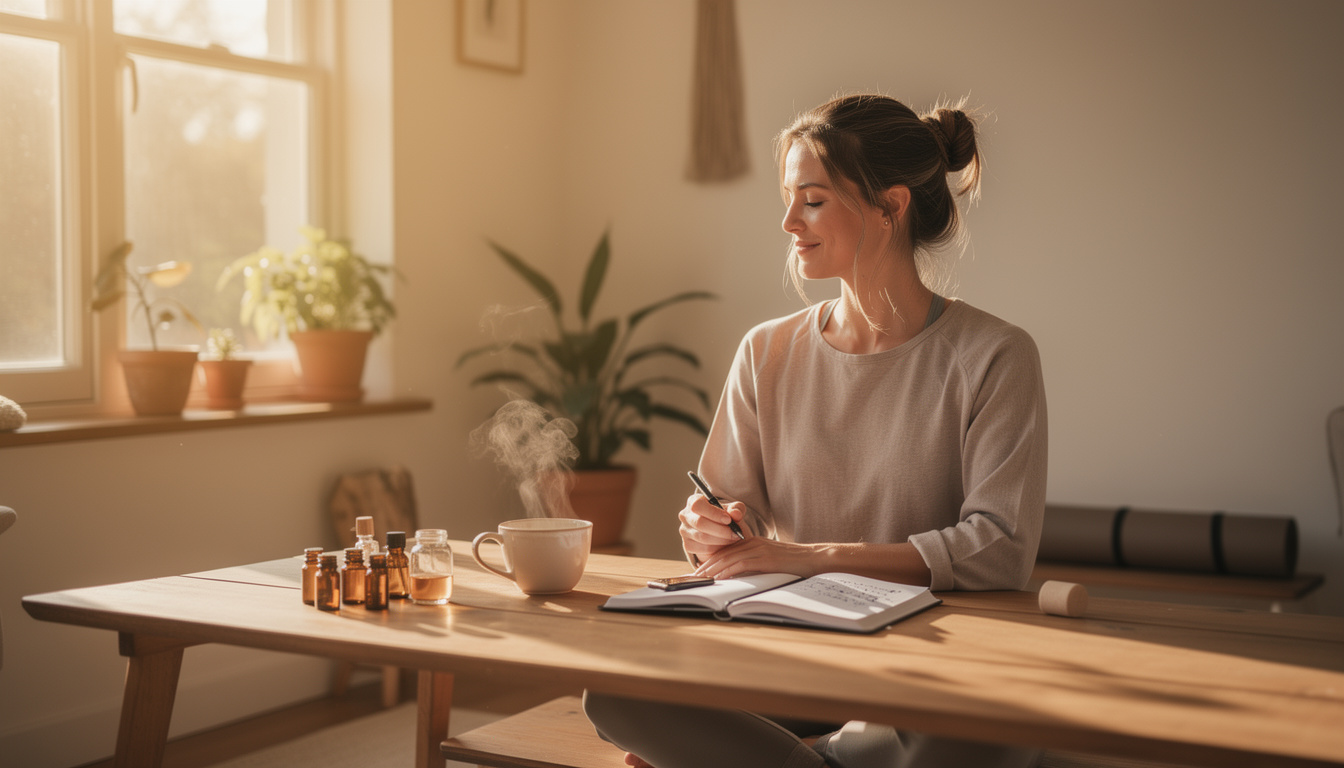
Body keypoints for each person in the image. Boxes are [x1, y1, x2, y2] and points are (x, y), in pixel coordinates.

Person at [584, 93, 1048, 768]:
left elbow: (999, 549)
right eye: (788, 198)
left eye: (812, 200)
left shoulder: (995, 355)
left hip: (929, 664)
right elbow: (722, 517)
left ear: (890, 206)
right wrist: (710, 526)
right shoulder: (766, 351)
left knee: (968, 734)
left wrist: (807, 556)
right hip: (793, 651)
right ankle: (832, 755)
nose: (787, 221)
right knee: (618, 694)